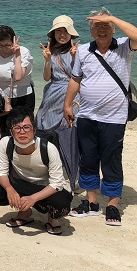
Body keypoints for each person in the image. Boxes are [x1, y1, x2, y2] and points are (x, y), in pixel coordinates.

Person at [64, 8, 137, 227]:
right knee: (88, 158)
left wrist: (112, 18)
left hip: (115, 117)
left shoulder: (123, 47)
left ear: (113, 28)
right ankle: (91, 202)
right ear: (90, 31)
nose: (101, 30)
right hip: (88, 115)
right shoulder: (82, 51)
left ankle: (112, 204)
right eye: (97, 26)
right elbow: (75, 79)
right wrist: (67, 104)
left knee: (111, 160)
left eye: (106, 26)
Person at [0, 108, 72, 235]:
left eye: (26, 127)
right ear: (11, 131)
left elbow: (57, 183)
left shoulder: (48, 148)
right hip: (20, 184)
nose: (22, 132)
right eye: (17, 128)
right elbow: (1, 171)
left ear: (34, 130)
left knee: (61, 202)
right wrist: (9, 190)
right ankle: (24, 212)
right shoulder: (6, 143)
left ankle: (52, 218)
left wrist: (33, 198)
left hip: (45, 187)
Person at [35, 15, 80, 189]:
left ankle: (71, 175)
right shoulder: (51, 52)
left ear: (71, 33)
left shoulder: (78, 50)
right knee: (47, 130)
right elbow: (47, 77)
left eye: (66, 31)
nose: (62, 34)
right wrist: (46, 60)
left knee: (69, 133)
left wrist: (76, 58)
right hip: (52, 96)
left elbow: (82, 76)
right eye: (58, 31)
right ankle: (51, 172)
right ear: (53, 34)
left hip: (73, 95)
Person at [0, 25, 34, 137]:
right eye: (0, 45)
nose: (4, 48)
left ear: (14, 41)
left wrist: (17, 55)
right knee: (5, 129)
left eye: (7, 45)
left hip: (23, 95)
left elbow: (18, 76)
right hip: (3, 98)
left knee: (23, 129)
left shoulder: (24, 52)